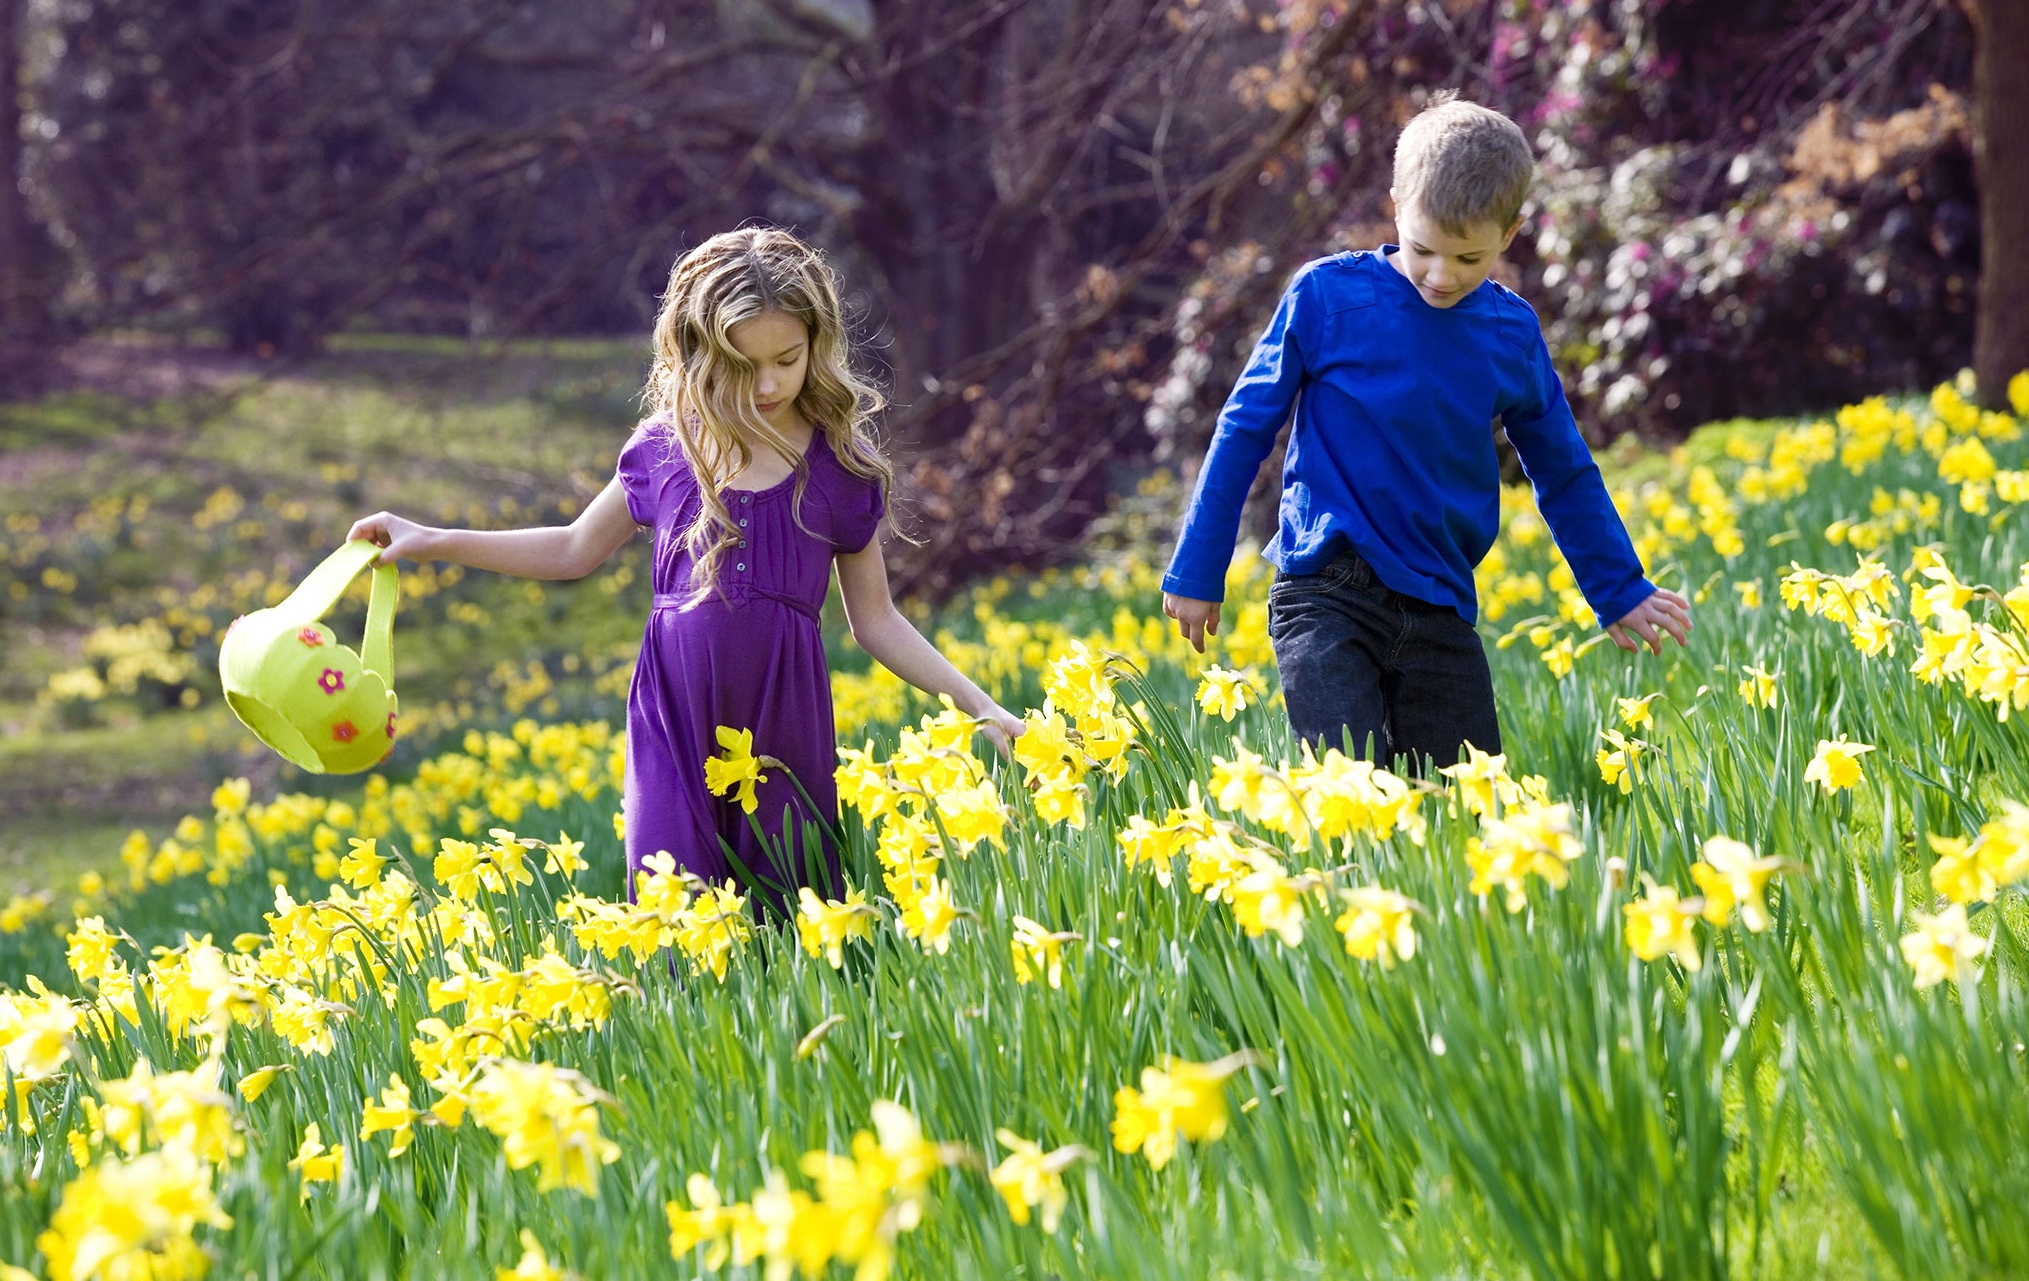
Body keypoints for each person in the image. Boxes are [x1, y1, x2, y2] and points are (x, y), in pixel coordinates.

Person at [350, 226, 1025, 903]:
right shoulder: (667, 448)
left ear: (816, 346)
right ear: (701, 351)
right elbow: (572, 549)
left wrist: (982, 707)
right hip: (672, 718)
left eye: (787, 360)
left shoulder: (839, 468)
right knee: (676, 914)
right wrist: (431, 538)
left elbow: (876, 621)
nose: (767, 383)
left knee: (789, 916)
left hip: (785, 724)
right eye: (743, 364)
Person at [1160, 95, 1691, 768]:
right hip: (1324, 589)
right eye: (1422, 249)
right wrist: (1199, 564)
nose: (1441, 276)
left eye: (1468, 258)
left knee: (1463, 802)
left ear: (1509, 233)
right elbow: (1244, 427)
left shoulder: (1509, 332)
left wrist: (1617, 588)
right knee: (1349, 790)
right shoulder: (1326, 297)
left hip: (1440, 601)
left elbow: (1563, 469)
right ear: (1395, 207)